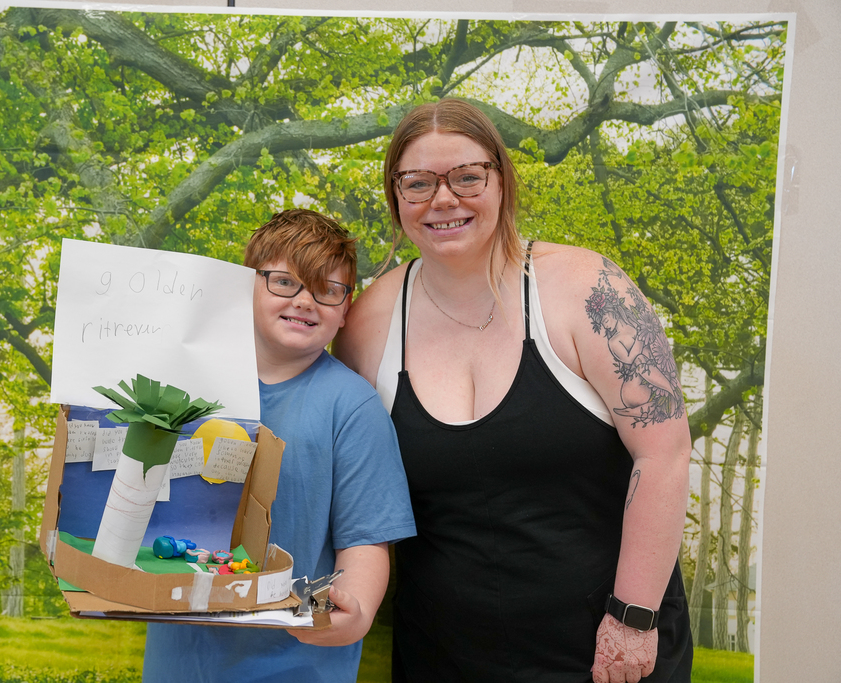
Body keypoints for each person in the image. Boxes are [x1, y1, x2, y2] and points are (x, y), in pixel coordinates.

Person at [334, 99, 693, 683]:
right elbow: (353, 487)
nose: (444, 199)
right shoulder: (368, 323)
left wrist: (631, 620)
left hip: (607, 651)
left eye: (468, 176)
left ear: (502, 179)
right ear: (395, 195)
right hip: (442, 654)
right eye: (418, 182)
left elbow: (664, 455)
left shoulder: (588, 290)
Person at [143, 209, 417, 682]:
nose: (306, 302)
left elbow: (365, 542)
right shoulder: (182, 390)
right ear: (247, 286)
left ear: (346, 307)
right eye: (284, 282)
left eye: (328, 290)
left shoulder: (352, 407)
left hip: (297, 664)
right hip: (181, 664)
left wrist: (356, 607)